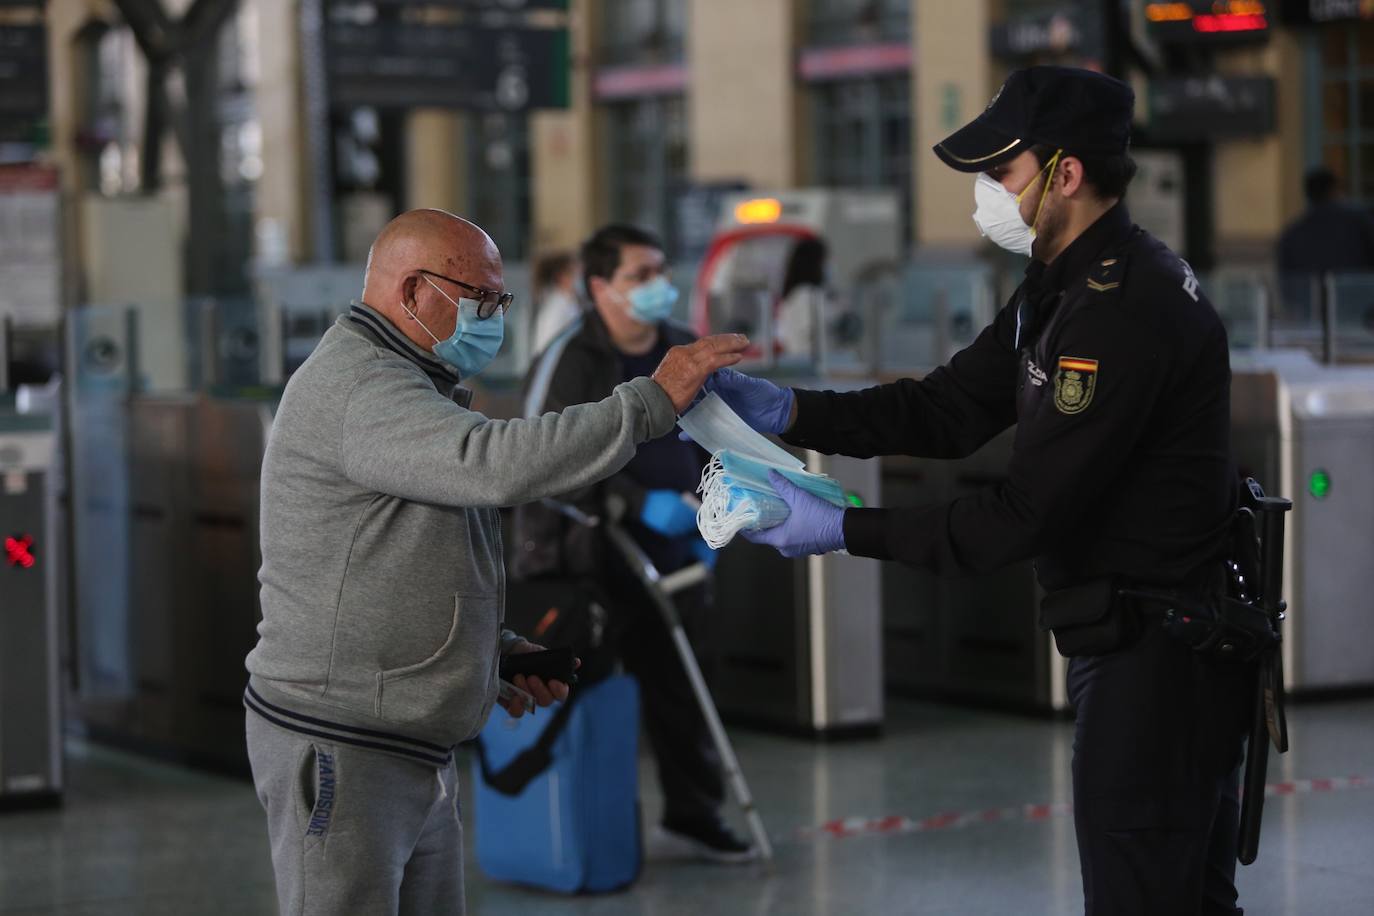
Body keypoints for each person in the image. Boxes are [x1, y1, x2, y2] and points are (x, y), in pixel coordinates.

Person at [695, 68, 1253, 915]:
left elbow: (1017, 518)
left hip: (1163, 658)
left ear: (1065, 176)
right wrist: (793, 409)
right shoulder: (1060, 283)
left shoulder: (1118, 312)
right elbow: (948, 408)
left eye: (1002, 173)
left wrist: (842, 528)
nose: (986, 194)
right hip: (1136, 641)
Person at [243, 208, 748, 916]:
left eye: (500, 300)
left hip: (409, 742)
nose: (492, 316)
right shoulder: (361, 387)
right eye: (479, 299)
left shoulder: (411, 382)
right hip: (345, 745)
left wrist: (489, 655)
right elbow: (495, 465)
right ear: (414, 293)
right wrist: (649, 403)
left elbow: (407, 551)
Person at [512, 224, 755, 864]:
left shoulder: (681, 351)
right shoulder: (568, 359)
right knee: (574, 698)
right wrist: (628, 502)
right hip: (580, 560)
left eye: (659, 272)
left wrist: (718, 511)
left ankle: (695, 814)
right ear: (599, 287)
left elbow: (724, 439)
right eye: (638, 276)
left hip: (673, 557)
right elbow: (537, 461)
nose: (656, 286)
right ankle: (568, 825)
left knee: (684, 688)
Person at [1276, 166, 1374, 322]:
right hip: (1360, 313)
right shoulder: (1359, 221)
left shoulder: (1293, 232)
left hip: (1313, 317)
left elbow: (1287, 284)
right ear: (1334, 190)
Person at [775, 237, 829, 359]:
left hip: (797, 360)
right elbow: (812, 335)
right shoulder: (808, 295)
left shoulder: (793, 294)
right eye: (824, 261)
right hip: (809, 363)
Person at [531, 250, 581, 355]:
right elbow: (547, 344)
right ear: (562, 276)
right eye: (575, 272)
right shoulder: (556, 306)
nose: (579, 276)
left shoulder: (570, 302)